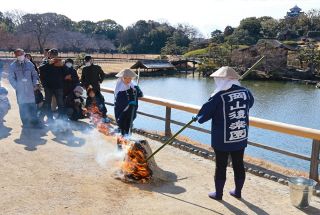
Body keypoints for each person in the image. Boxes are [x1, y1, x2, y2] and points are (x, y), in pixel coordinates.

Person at [194, 66, 254, 200]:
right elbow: (249, 105)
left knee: (221, 165)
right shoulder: (246, 92)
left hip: (222, 138)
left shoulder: (218, 96)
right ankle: (238, 192)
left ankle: (219, 194)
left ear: (221, 80)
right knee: (239, 164)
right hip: (239, 135)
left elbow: (203, 117)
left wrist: (197, 117)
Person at [8, 49, 41, 128]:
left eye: (22, 54)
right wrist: (17, 86)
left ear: (24, 54)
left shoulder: (30, 64)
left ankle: (35, 123)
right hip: (20, 90)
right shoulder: (13, 66)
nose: (21, 56)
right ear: (15, 56)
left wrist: (34, 85)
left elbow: (35, 75)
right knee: (22, 106)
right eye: (18, 55)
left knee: (32, 106)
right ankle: (25, 123)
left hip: (30, 89)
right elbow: (11, 78)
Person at [39, 49, 68, 121]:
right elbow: (41, 69)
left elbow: (66, 73)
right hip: (48, 86)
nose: (54, 56)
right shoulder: (46, 61)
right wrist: (49, 63)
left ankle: (62, 119)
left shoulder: (61, 62)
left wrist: (63, 66)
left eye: (55, 54)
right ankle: (50, 118)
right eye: (52, 54)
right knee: (47, 103)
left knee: (60, 103)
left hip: (59, 86)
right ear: (49, 55)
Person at [114, 69, 143, 135]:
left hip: (130, 110)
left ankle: (127, 139)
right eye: (125, 78)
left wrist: (137, 90)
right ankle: (121, 141)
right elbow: (119, 100)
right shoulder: (120, 87)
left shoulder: (132, 85)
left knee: (129, 124)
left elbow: (140, 94)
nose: (128, 80)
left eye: (130, 78)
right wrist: (129, 101)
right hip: (122, 111)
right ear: (121, 78)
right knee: (121, 125)